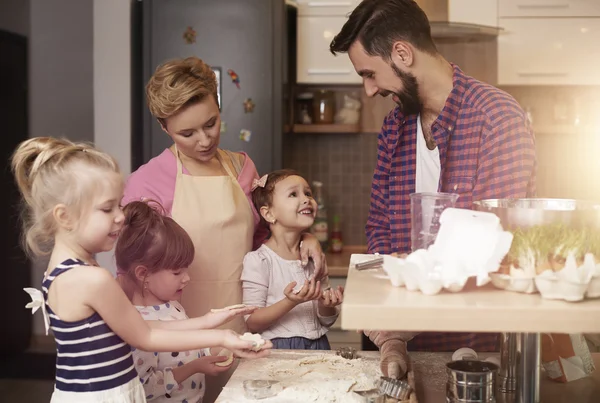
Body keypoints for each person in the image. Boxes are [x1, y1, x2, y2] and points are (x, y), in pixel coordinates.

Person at [329, 0, 537, 378]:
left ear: (402, 54)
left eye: (370, 73)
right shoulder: (395, 128)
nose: (369, 89)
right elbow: (380, 231)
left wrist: (410, 317)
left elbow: (492, 245)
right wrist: (393, 336)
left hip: (481, 352)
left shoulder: (497, 118)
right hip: (409, 344)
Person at [121, 56, 326, 401]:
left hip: (246, 322)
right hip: (176, 336)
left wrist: (307, 237)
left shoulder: (242, 168)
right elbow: (130, 270)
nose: (204, 140)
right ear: (163, 127)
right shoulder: (148, 181)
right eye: (187, 133)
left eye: (211, 124)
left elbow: (268, 236)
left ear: (218, 107)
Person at [14, 137, 271, 403]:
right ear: (64, 216)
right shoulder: (92, 279)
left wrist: (206, 321)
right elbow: (145, 336)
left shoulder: (63, 271)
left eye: (119, 205)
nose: (120, 216)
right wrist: (224, 337)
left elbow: (131, 325)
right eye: (107, 208)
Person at [116, 200, 261, 402]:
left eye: (186, 269)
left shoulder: (171, 305)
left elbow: (186, 349)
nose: (187, 278)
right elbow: (145, 387)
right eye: (177, 272)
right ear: (143, 274)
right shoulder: (135, 321)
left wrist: (220, 350)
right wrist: (194, 368)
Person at [241, 170, 344, 350]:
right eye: (293, 194)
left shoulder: (315, 258)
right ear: (269, 214)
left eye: (308, 193)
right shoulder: (258, 261)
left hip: (319, 346)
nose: (306, 199)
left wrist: (326, 305)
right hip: (278, 350)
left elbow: (326, 321)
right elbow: (252, 322)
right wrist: (291, 301)